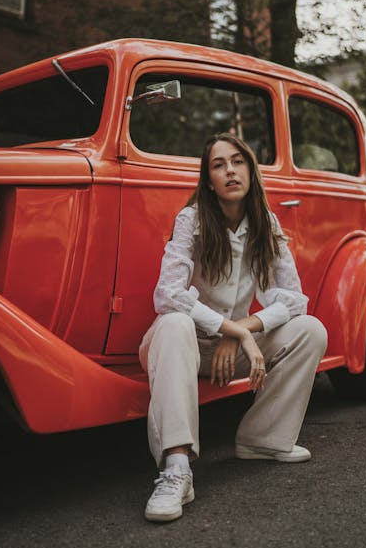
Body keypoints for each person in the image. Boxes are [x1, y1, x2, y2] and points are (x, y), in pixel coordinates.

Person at [139, 133, 327, 522]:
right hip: (185, 346)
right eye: (218, 164)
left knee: (311, 329)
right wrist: (232, 330)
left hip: (233, 349)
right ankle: (176, 469)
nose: (230, 170)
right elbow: (168, 295)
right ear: (209, 180)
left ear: (250, 170)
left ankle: (263, 438)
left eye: (238, 161)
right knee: (173, 322)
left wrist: (240, 328)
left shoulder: (266, 223)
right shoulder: (191, 218)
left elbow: (294, 298)